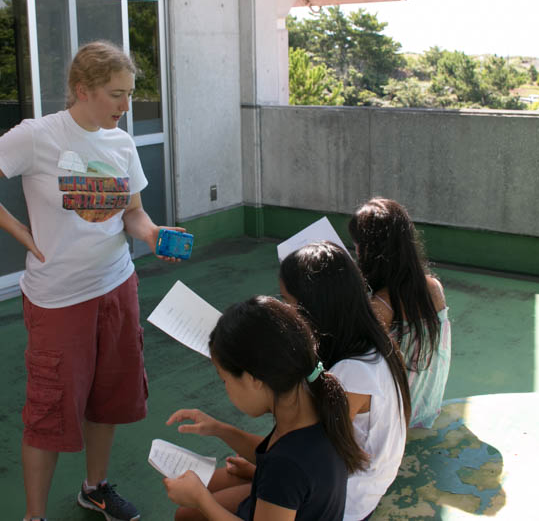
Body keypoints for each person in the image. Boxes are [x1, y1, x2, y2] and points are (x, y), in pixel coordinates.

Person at [0, 40, 181, 521]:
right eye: (116, 94)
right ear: (83, 90)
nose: (126, 104)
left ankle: (94, 488)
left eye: (130, 93)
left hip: (117, 287)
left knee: (108, 397)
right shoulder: (38, 137)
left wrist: (155, 234)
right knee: (49, 411)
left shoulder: (120, 143)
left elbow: (133, 214)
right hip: (58, 299)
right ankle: (35, 516)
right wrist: (18, 230)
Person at [163, 296, 366, 521]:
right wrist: (219, 429)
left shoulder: (286, 465)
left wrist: (202, 500)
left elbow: (283, 467)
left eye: (225, 380)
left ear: (254, 379)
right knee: (187, 514)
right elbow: (276, 454)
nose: (226, 388)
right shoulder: (312, 402)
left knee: (188, 513)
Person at [278, 241, 411, 521]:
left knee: (193, 509)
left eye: (287, 302)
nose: (284, 312)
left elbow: (301, 447)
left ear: (315, 308)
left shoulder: (350, 373)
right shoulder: (373, 342)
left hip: (346, 502)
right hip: (351, 484)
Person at [347, 197, 451, 429]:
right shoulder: (433, 287)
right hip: (426, 407)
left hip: (398, 420)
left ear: (370, 249)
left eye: (357, 243)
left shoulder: (382, 304)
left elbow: (354, 360)